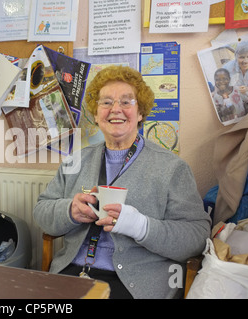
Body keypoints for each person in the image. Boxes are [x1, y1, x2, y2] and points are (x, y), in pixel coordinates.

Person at [33, 65, 212, 299]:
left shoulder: (172, 168)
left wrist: (139, 226)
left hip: (135, 283)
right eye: (106, 102)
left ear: (140, 113)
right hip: (73, 273)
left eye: (127, 102)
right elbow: (42, 212)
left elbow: (196, 237)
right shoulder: (76, 161)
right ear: (96, 114)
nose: (115, 109)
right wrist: (69, 210)